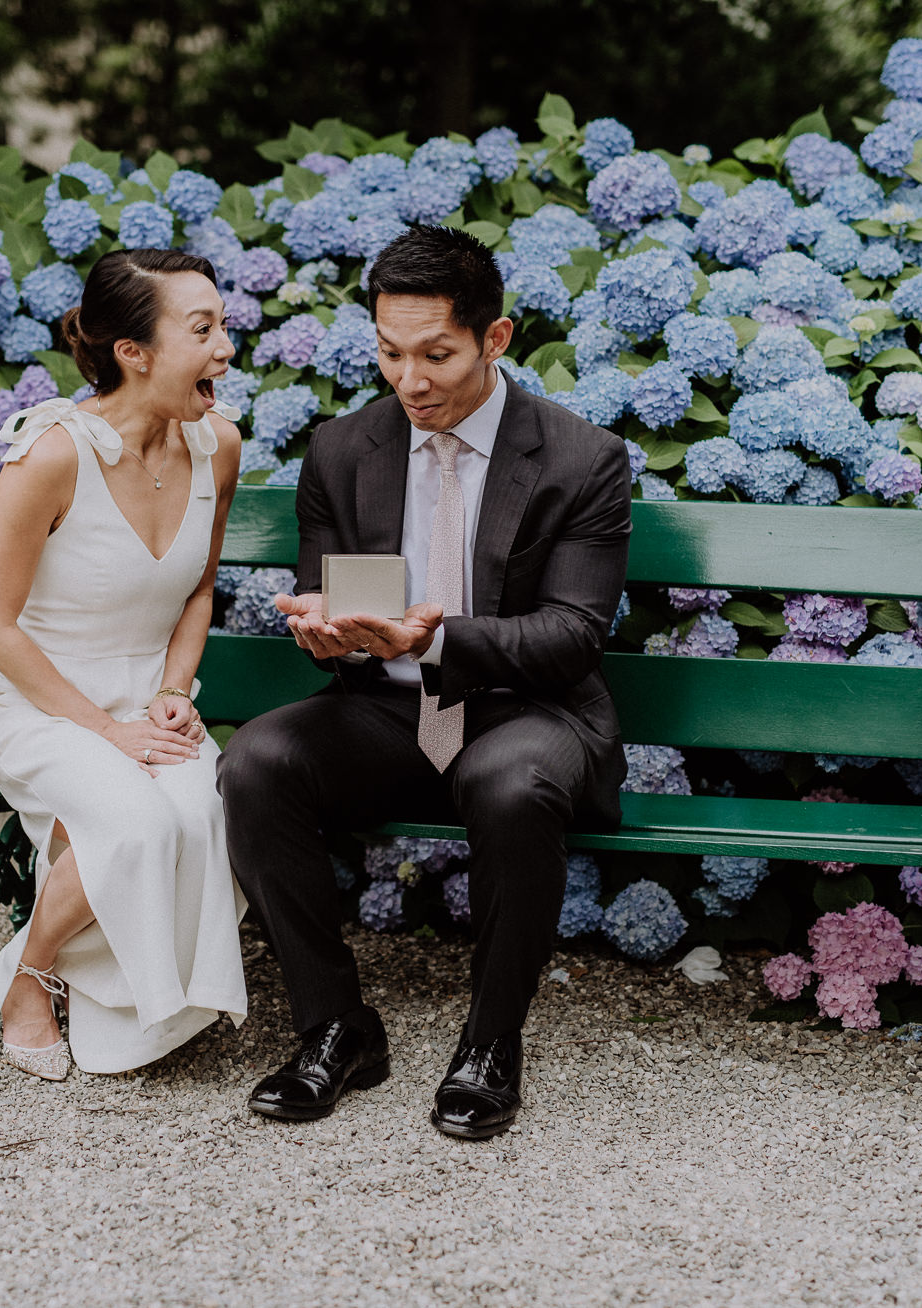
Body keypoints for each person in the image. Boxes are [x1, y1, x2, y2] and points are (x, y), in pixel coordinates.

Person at [217, 223, 632, 1139]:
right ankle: (336, 1026)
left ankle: (489, 1045)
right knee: (256, 761)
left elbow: (571, 636)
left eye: (437, 354)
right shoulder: (342, 449)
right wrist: (331, 638)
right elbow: (337, 601)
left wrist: (437, 636)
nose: (411, 381)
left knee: (509, 782)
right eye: (390, 353)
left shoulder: (581, 459)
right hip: (386, 709)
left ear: (496, 338)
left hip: (531, 713)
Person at [0, 248, 247, 1080]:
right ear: (135, 353)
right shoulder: (51, 454)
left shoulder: (219, 444)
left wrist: (170, 692)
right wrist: (105, 732)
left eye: (223, 324)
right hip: (45, 702)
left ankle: (143, 1015)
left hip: (150, 699)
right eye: (203, 331)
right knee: (137, 824)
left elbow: (198, 593)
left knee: (206, 814)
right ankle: (29, 976)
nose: (226, 348)